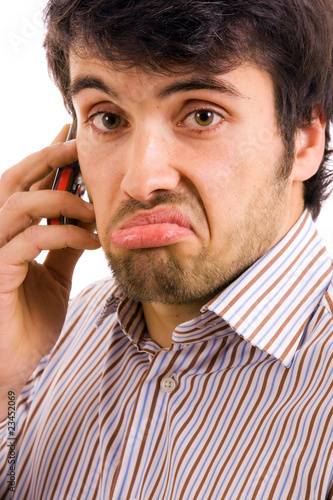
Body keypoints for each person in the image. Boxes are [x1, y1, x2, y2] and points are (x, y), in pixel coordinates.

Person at [0, 0, 333, 498]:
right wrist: (5, 383)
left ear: (304, 140)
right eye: (108, 119)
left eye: (201, 115)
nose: (140, 181)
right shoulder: (39, 330)